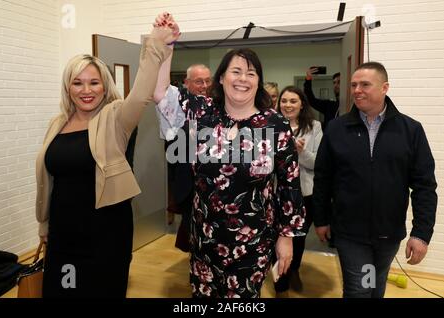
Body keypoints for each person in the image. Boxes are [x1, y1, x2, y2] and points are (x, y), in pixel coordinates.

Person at [153, 13, 305, 298]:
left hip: (254, 242)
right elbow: (161, 93)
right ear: (221, 78)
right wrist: (167, 46)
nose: (243, 79)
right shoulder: (202, 112)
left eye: (251, 73)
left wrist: (286, 237)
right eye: (236, 71)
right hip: (205, 239)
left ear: (259, 81)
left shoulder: (274, 124)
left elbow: (289, 184)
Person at [34, 14, 178, 298]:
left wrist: (157, 42)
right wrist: (44, 224)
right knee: (61, 292)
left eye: (94, 83)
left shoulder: (116, 118)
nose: (86, 91)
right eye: (77, 83)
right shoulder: (57, 123)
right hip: (63, 233)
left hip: (106, 233)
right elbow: (50, 180)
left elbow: (141, 94)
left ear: (105, 86)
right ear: (68, 87)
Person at [313, 61, 437, 298]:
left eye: (365, 84)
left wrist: (421, 233)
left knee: (375, 287)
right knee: (360, 289)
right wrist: (321, 219)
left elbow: (424, 186)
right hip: (350, 232)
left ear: (384, 88)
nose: (357, 90)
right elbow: (323, 177)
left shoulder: (410, 130)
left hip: (388, 233)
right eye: (354, 85)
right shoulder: (337, 129)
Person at [274, 86, 322, 294]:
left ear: (302, 104)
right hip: (276, 193)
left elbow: (319, 163)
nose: (287, 105)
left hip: (304, 193)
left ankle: (294, 269)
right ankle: (280, 280)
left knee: (298, 238)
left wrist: (300, 153)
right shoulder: (270, 125)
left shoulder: (315, 127)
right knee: (277, 237)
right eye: (284, 101)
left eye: (293, 101)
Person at [165, 64, 213, 252]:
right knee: (190, 227)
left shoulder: (219, 105)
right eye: (198, 81)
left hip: (213, 179)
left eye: (208, 81)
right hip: (186, 176)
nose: (204, 86)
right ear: (186, 83)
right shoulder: (177, 105)